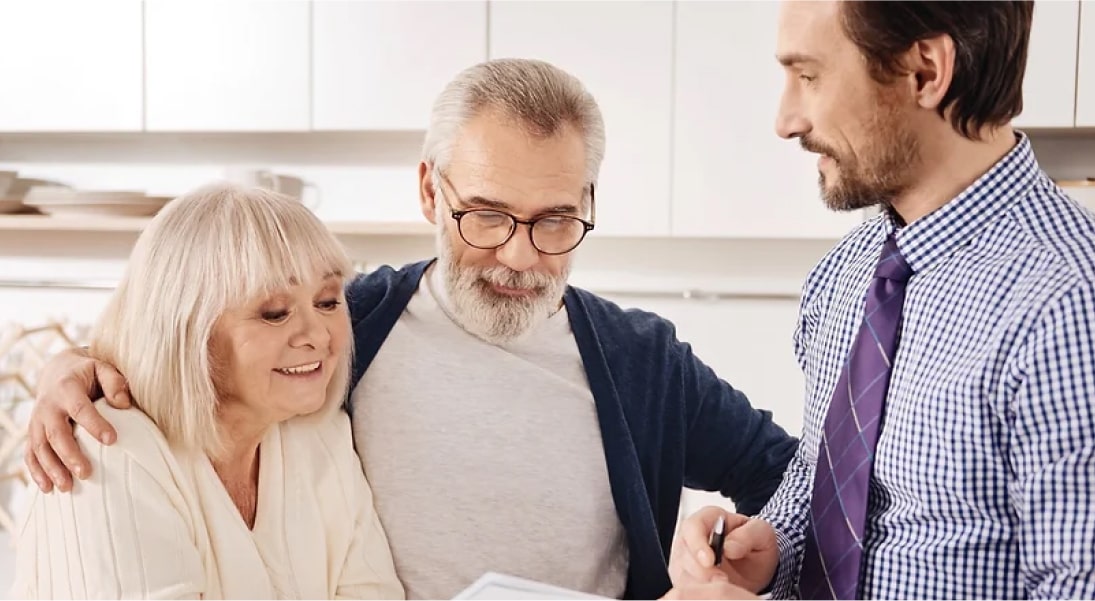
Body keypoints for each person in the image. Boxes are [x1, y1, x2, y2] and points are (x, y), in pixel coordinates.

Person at [21, 58, 799, 600]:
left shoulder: (644, 361)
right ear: (430, 190)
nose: (520, 255)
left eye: (556, 218)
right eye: (487, 215)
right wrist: (79, 362)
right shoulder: (349, 323)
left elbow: (795, 481)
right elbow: (215, 339)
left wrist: (751, 556)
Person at [667, 1, 1095, 599]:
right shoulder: (842, 274)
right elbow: (826, 479)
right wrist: (773, 545)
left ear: (925, 71)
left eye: (809, 76)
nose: (786, 120)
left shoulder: (1070, 304)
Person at [10, 183, 405, 599]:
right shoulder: (111, 450)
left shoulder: (320, 439)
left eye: (327, 301)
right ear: (187, 329)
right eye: (274, 313)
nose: (317, 335)